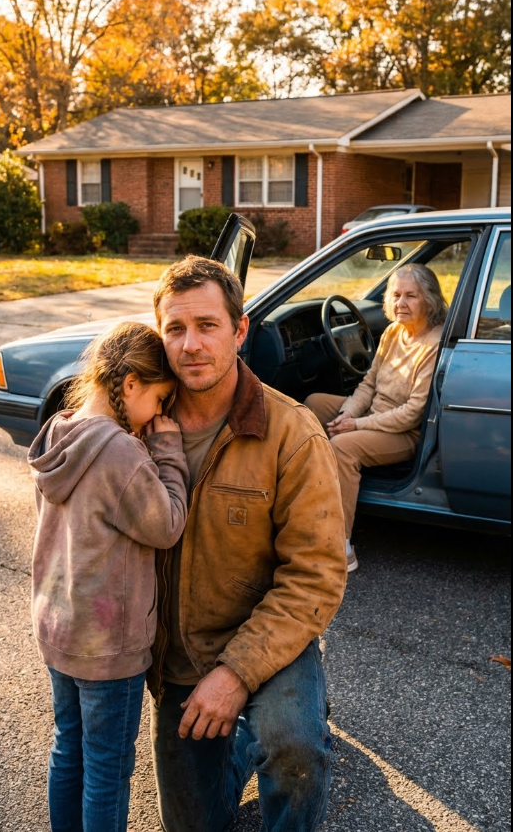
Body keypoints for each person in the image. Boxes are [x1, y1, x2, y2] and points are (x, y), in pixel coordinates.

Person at [147, 256, 347, 832]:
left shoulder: (292, 433)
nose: (191, 345)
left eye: (207, 326)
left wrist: (235, 674)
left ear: (239, 331)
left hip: (267, 636)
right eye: (176, 328)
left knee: (294, 749)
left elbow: (315, 575)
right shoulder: (137, 423)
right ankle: (238, 744)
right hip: (180, 654)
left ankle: (293, 710)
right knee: (193, 823)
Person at [28, 321, 189, 832]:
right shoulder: (120, 453)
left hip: (59, 627)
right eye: (159, 400)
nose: (159, 414)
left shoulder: (59, 431)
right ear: (131, 384)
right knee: (106, 769)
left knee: (68, 748)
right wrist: (169, 451)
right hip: (107, 646)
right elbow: (167, 525)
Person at [306, 263, 448, 573]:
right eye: (396, 295)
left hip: (404, 432)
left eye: (411, 296)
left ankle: (341, 547)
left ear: (429, 299)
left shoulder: (433, 344)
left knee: (342, 447)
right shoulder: (394, 332)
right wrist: (347, 413)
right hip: (374, 414)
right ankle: (310, 498)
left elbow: (412, 413)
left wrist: (355, 425)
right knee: (313, 404)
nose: (401, 303)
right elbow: (369, 383)